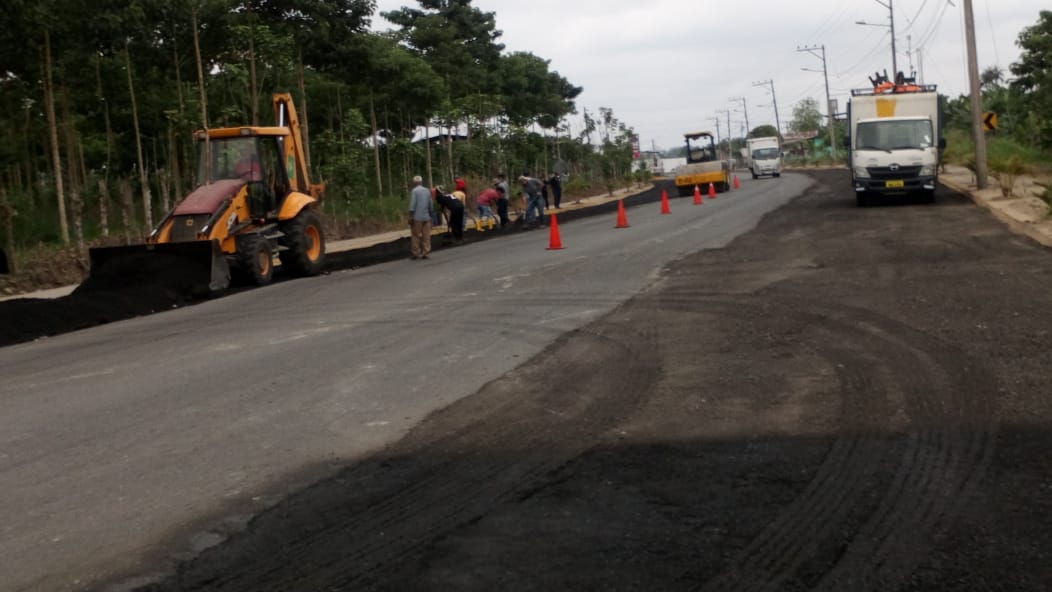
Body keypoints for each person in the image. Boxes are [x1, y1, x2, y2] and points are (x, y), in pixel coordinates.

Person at [407, 175, 433, 259]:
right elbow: (430, 205)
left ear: (414, 183)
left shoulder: (414, 191)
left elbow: (412, 205)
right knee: (426, 236)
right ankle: (426, 252)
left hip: (417, 218)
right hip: (426, 217)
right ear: (421, 182)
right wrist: (431, 216)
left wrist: (410, 217)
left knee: (415, 235)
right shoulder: (427, 190)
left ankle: (416, 253)